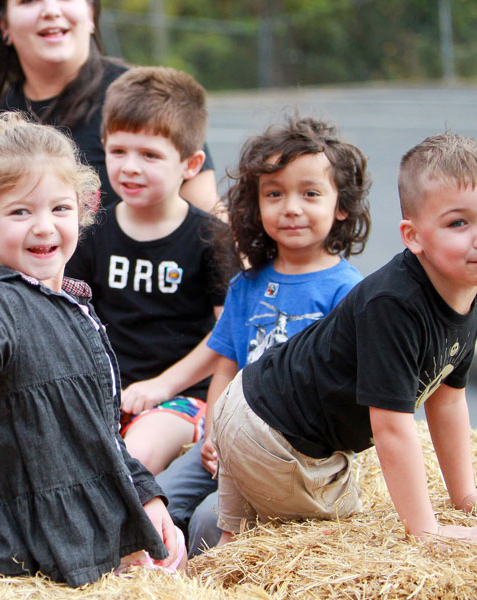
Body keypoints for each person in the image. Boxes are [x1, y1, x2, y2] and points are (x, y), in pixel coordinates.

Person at [0, 112, 184, 587]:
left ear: (82, 212)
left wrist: (147, 497)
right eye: (20, 212)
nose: (43, 226)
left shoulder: (77, 301)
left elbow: (98, 430)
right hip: (18, 533)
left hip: (80, 519)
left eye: (59, 209)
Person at [210, 132, 477, 545]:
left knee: (233, 547)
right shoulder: (396, 304)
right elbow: (391, 429)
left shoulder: (463, 294)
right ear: (413, 236)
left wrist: (465, 498)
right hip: (273, 435)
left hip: (252, 400)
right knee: (353, 527)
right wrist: (428, 531)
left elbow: (448, 398)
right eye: (458, 223)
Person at [155, 116, 370, 557]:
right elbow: (227, 366)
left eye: (310, 193)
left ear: (341, 204)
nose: (291, 207)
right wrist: (213, 433)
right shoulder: (246, 286)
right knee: (156, 500)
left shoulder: (349, 293)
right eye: (274, 194)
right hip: (227, 442)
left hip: (289, 459)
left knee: (207, 521)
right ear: (256, 204)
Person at [65, 67, 225, 476]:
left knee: (130, 462)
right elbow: (68, 317)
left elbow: (229, 334)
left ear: (191, 163)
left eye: (150, 155)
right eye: (118, 151)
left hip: (181, 400)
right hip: (105, 397)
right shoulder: (88, 232)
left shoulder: (212, 238)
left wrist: (163, 386)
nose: (130, 167)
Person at [0, 0, 218, 211]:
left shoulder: (145, 97)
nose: (51, 10)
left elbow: (209, 220)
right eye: (29, 0)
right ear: (4, 26)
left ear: (90, 14)